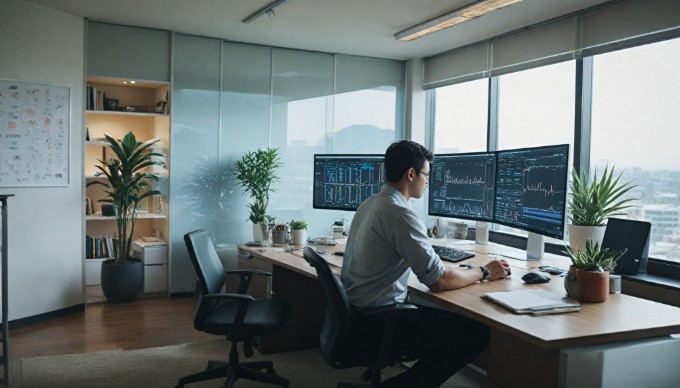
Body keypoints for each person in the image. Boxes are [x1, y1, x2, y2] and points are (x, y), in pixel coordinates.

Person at [341, 140, 511, 388]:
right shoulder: (400, 213)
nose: (427, 181)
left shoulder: (371, 204)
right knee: (475, 334)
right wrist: (485, 271)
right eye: (426, 174)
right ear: (411, 174)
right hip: (378, 323)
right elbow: (438, 281)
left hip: (357, 316)